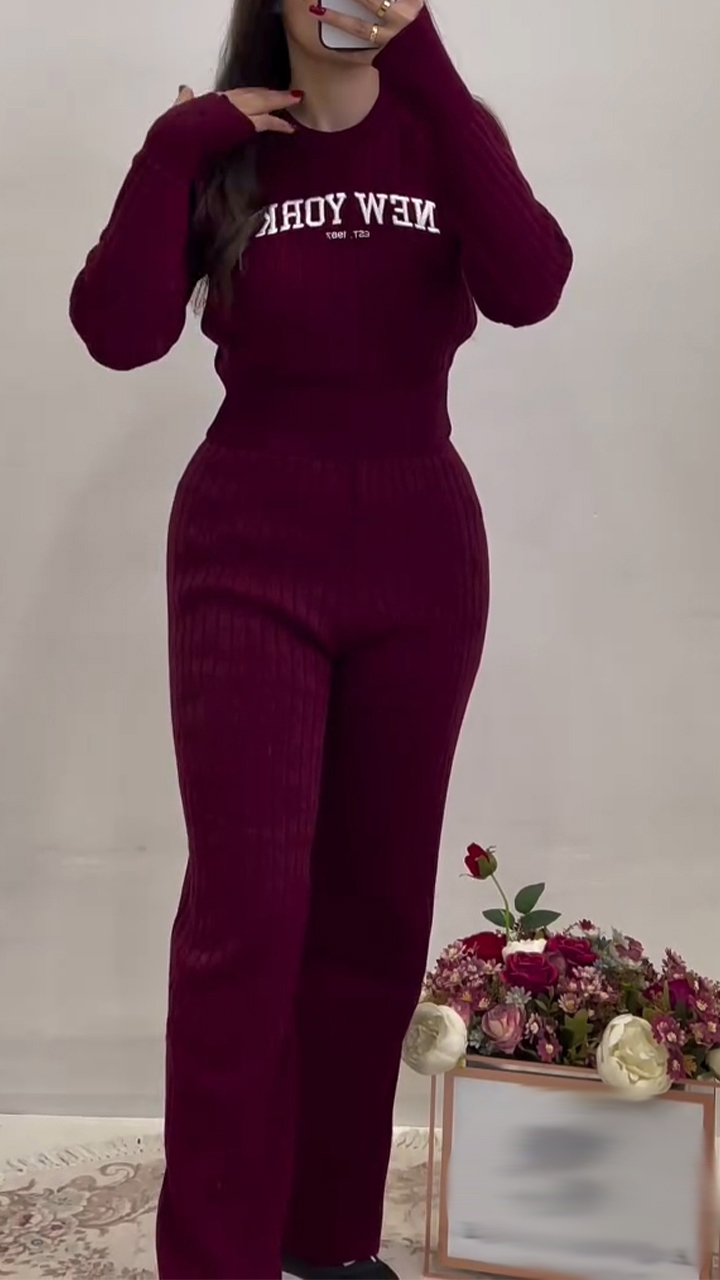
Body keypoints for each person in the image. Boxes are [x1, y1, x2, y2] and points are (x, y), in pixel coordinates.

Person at [69, 0, 572, 1276]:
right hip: (248, 546)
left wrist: (427, 65)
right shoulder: (218, 149)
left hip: (420, 552)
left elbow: (533, 284)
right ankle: (218, 1259)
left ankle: (329, 1241)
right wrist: (172, 148)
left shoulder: (446, 133)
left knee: (373, 913)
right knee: (246, 918)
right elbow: (117, 332)